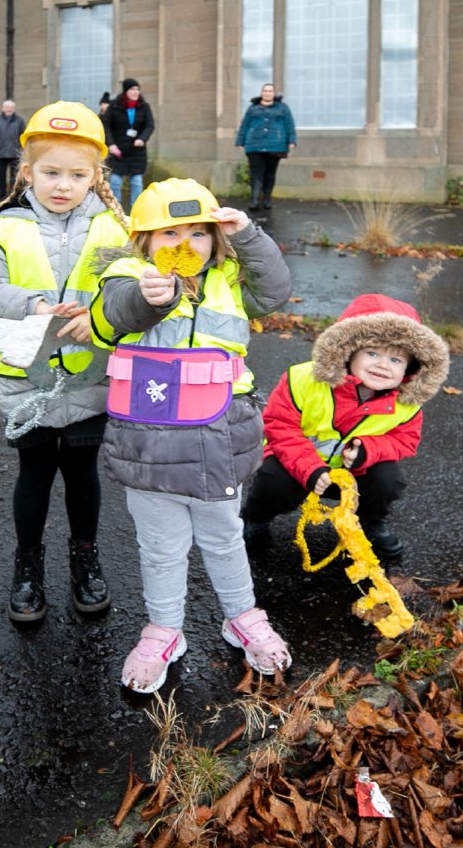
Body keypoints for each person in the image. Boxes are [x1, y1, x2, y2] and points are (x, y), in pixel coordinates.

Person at [89, 178, 293, 693]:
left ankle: (241, 615)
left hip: (218, 441)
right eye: (170, 233)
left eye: (199, 233)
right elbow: (112, 314)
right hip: (149, 447)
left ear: (216, 240)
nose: (186, 245)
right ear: (144, 240)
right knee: (160, 547)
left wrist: (247, 234)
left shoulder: (228, 281)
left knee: (225, 538)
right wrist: (147, 297)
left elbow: (275, 290)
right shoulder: (127, 274)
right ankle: (163, 628)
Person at [0, 101, 131, 622]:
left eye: (77, 174)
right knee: (35, 473)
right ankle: (28, 563)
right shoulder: (2, 228)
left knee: (84, 473)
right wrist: (34, 306)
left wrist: (100, 316)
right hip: (27, 381)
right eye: (50, 172)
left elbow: (128, 293)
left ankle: (85, 557)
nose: (62, 184)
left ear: (96, 176)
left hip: (89, 378)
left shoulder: (114, 230)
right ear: (27, 172)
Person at [241, 294, 449, 562]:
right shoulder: (303, 379)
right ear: (348, 352)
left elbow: (404, 441)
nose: (383, 365)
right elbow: (279, 426)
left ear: (411, 368)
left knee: (387, 479)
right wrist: (311, 469)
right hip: (297, 465)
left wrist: (369, 451)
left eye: (396, 360)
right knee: (273, 478)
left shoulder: (406, 402)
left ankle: (370, 523)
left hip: (353, 474)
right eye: (372, 353)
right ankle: (256, 517)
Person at [234, 83, 297, 214]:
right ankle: (255, 200)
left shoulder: (282, 108)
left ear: (274, 94)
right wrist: (240, 141)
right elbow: (245, 124)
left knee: (270, 174)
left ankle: (267, 199)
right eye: (265, 91)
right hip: (254, 146)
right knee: (256, 173)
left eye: (270, 91)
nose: (267, 93)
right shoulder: (253, 108)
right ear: (261, 93)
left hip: (276, 145)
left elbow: (289, 124)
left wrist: (292, 140)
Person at [101, 78, 155, 208]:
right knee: (115, 182)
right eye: (132, 89)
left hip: (137, 152)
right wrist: (111, 144)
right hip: (118, 151)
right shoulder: (114, 106)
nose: (135, 92)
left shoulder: (144, 106)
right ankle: (115, 209)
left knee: (136, 182)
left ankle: (137, 210)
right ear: (126, 91)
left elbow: (149, 125)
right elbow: (105, 126)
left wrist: (142, 139)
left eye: (137, 89)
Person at [0, 99, 26, 199]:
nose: (9, 109)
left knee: (14, 175)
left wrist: (24, 148)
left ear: (14, 109)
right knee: (1, 174)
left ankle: (13, 193)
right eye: (7, 107)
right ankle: (1, 192)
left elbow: (23, 136)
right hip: (1, 151)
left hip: (15, 152)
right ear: (3, 108)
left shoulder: (20, 121)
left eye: (11, 107)